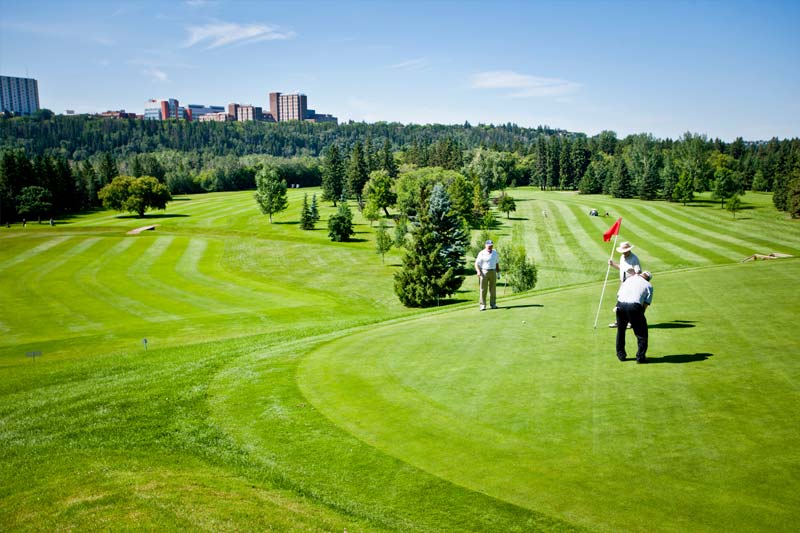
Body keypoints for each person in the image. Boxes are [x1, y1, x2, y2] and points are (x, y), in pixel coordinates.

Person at [615, 271, 654, 364]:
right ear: (648, 279)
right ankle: (640, 357)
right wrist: (637, 318)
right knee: (641, 333)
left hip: (620, 305)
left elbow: (618, 295)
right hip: (634, 306)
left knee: (621, 330)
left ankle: (621, 355)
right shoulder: (649, 285)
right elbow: (644, 305)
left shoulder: (629, 279)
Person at [607, 241, 641, 327]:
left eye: (625, 251)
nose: (623, 253)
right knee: (620, 301)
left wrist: (633, 277)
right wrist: (613, 264)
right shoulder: (622, 257)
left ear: (629, 250)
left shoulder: (634, 258)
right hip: (623, 282)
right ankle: (619, 321)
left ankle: (630, 321)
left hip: (631, 283)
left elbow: (638, 272)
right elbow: (621, 267)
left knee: (628, 302)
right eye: (622, 251)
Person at [474, 239, 500, 311]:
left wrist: (498, 273)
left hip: (493, 271)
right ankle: (482, 305)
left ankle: (493, 304)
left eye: (491, 246)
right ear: (485, 246)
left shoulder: (495, 252)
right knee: (483, 289)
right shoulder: (481, 253)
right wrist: (478, 271)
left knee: (493, 289)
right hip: (484, 272)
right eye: (489, 246)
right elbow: (476, 264)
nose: (490, 247)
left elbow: (497, 263)